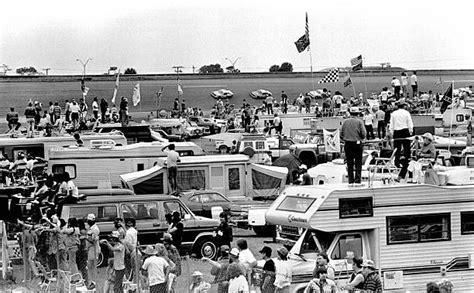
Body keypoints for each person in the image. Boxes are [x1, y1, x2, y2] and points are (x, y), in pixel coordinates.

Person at [341, 107, 366, 185]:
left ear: (350, 113)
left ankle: (350, 180)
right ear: (357, 113)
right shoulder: (359, 122)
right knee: (358, 163)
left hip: (348, 144)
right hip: (357, 143)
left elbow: (341, 134)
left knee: (349, 163)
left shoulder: (345, 122)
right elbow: (364, 134)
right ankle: (357, 180)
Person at [389, 101, 413, 181]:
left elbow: (391, 124)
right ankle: (407, 157)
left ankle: (397, 161)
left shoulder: (393, 113)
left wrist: (391, 132)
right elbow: (409, 122)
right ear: (404, 106)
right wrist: (410, 130)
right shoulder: (406, 113)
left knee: (397, 148)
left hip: (397, 131)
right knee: (407, 148)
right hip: (405, 130)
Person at [86, 213, 100, 289]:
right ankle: (92, 282)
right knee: (89, 266)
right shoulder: (91, 228)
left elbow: (94, 239)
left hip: (93, 249)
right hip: (90, 249)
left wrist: (86, 238)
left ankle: (94, 282)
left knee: (92, 266)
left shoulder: (95, 229)